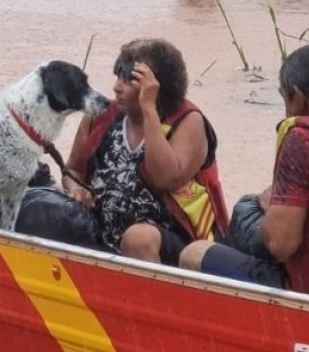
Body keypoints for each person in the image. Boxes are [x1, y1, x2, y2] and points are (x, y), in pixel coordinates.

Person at [179, 44, 309, 308]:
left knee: (194, 252)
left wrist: (271, 207)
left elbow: (280, 244)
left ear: (298, 96)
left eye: (285, 100)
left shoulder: (305, 139)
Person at [62, 38, 228, 265]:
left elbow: (164, 179)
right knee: (49, 209)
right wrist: (75, 188)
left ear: (156, 87)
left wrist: (149, 108)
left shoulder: (187, 122)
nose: (116, 87)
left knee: (138, 238)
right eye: (118, 76)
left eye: (129, 80)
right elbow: (73, 170)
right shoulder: (100, 117)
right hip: (102, 230)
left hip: (174, 244)